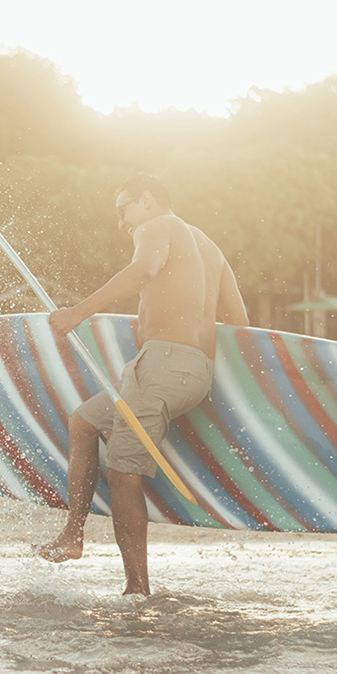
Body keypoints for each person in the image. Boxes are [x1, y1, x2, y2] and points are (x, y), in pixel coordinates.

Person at [36, 175, 249, 594]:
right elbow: (240, 322)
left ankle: (137, 589)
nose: (121, 223)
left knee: (122, 469)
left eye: (123, 210)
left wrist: (77, 313)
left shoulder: (157, 226)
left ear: (147, 201)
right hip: (188, 370)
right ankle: (72, 535)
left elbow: (142, 270)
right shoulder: (210, 247)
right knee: (84, 422)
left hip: (164, 365)